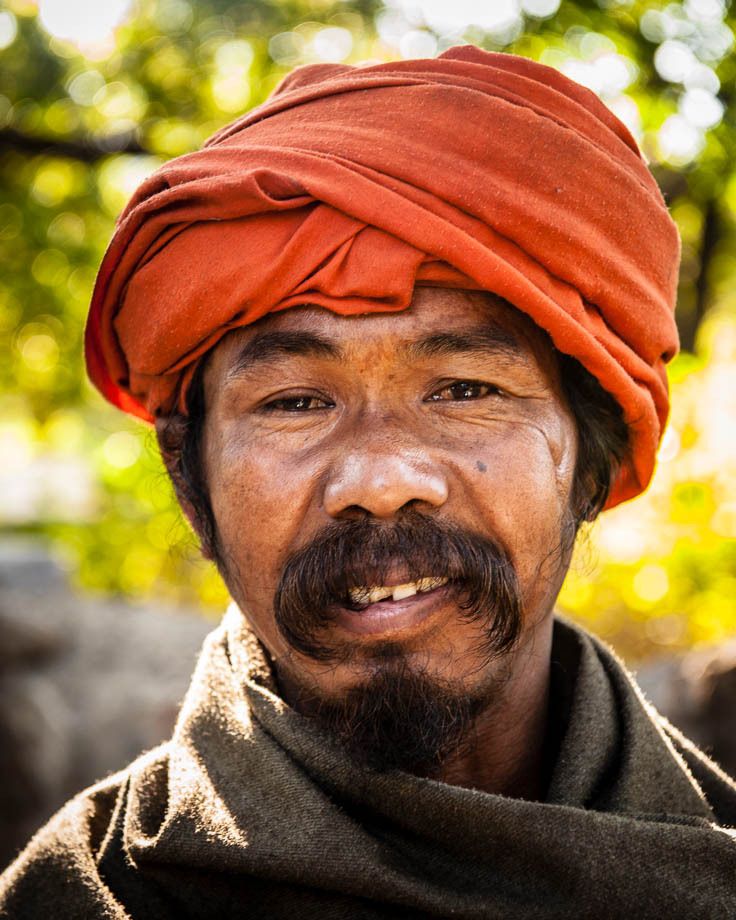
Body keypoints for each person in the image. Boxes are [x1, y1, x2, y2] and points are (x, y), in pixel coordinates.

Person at [1, 44, 734, 919]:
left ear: (591, 459)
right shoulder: (80, 898)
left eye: (465, 390)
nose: (382, 480)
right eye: (296, 402)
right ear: (191, 487)